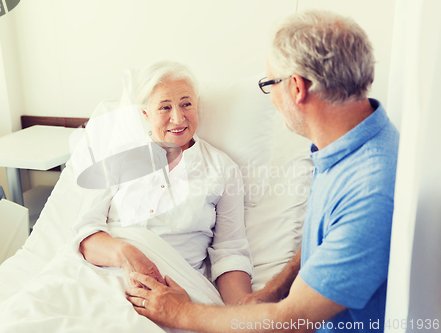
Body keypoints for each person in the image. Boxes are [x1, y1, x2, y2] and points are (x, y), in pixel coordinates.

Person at [126, 10, 399, 333]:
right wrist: (274, 288)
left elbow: (291, 321)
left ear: (296, 88)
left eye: (270, 83)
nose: (270, 97)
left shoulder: (370, 189)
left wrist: (180, 311)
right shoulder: (347, 142)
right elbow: (329, 236)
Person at [74, 60, 253, 306]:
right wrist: (126, 254)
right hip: (101, 279)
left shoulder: (222, 170)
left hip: (174, 292)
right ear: (146, 114)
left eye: (186, 104)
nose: (178, 118)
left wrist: (243, 319)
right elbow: (84, 233)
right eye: (165, 107)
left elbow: (230, 253)